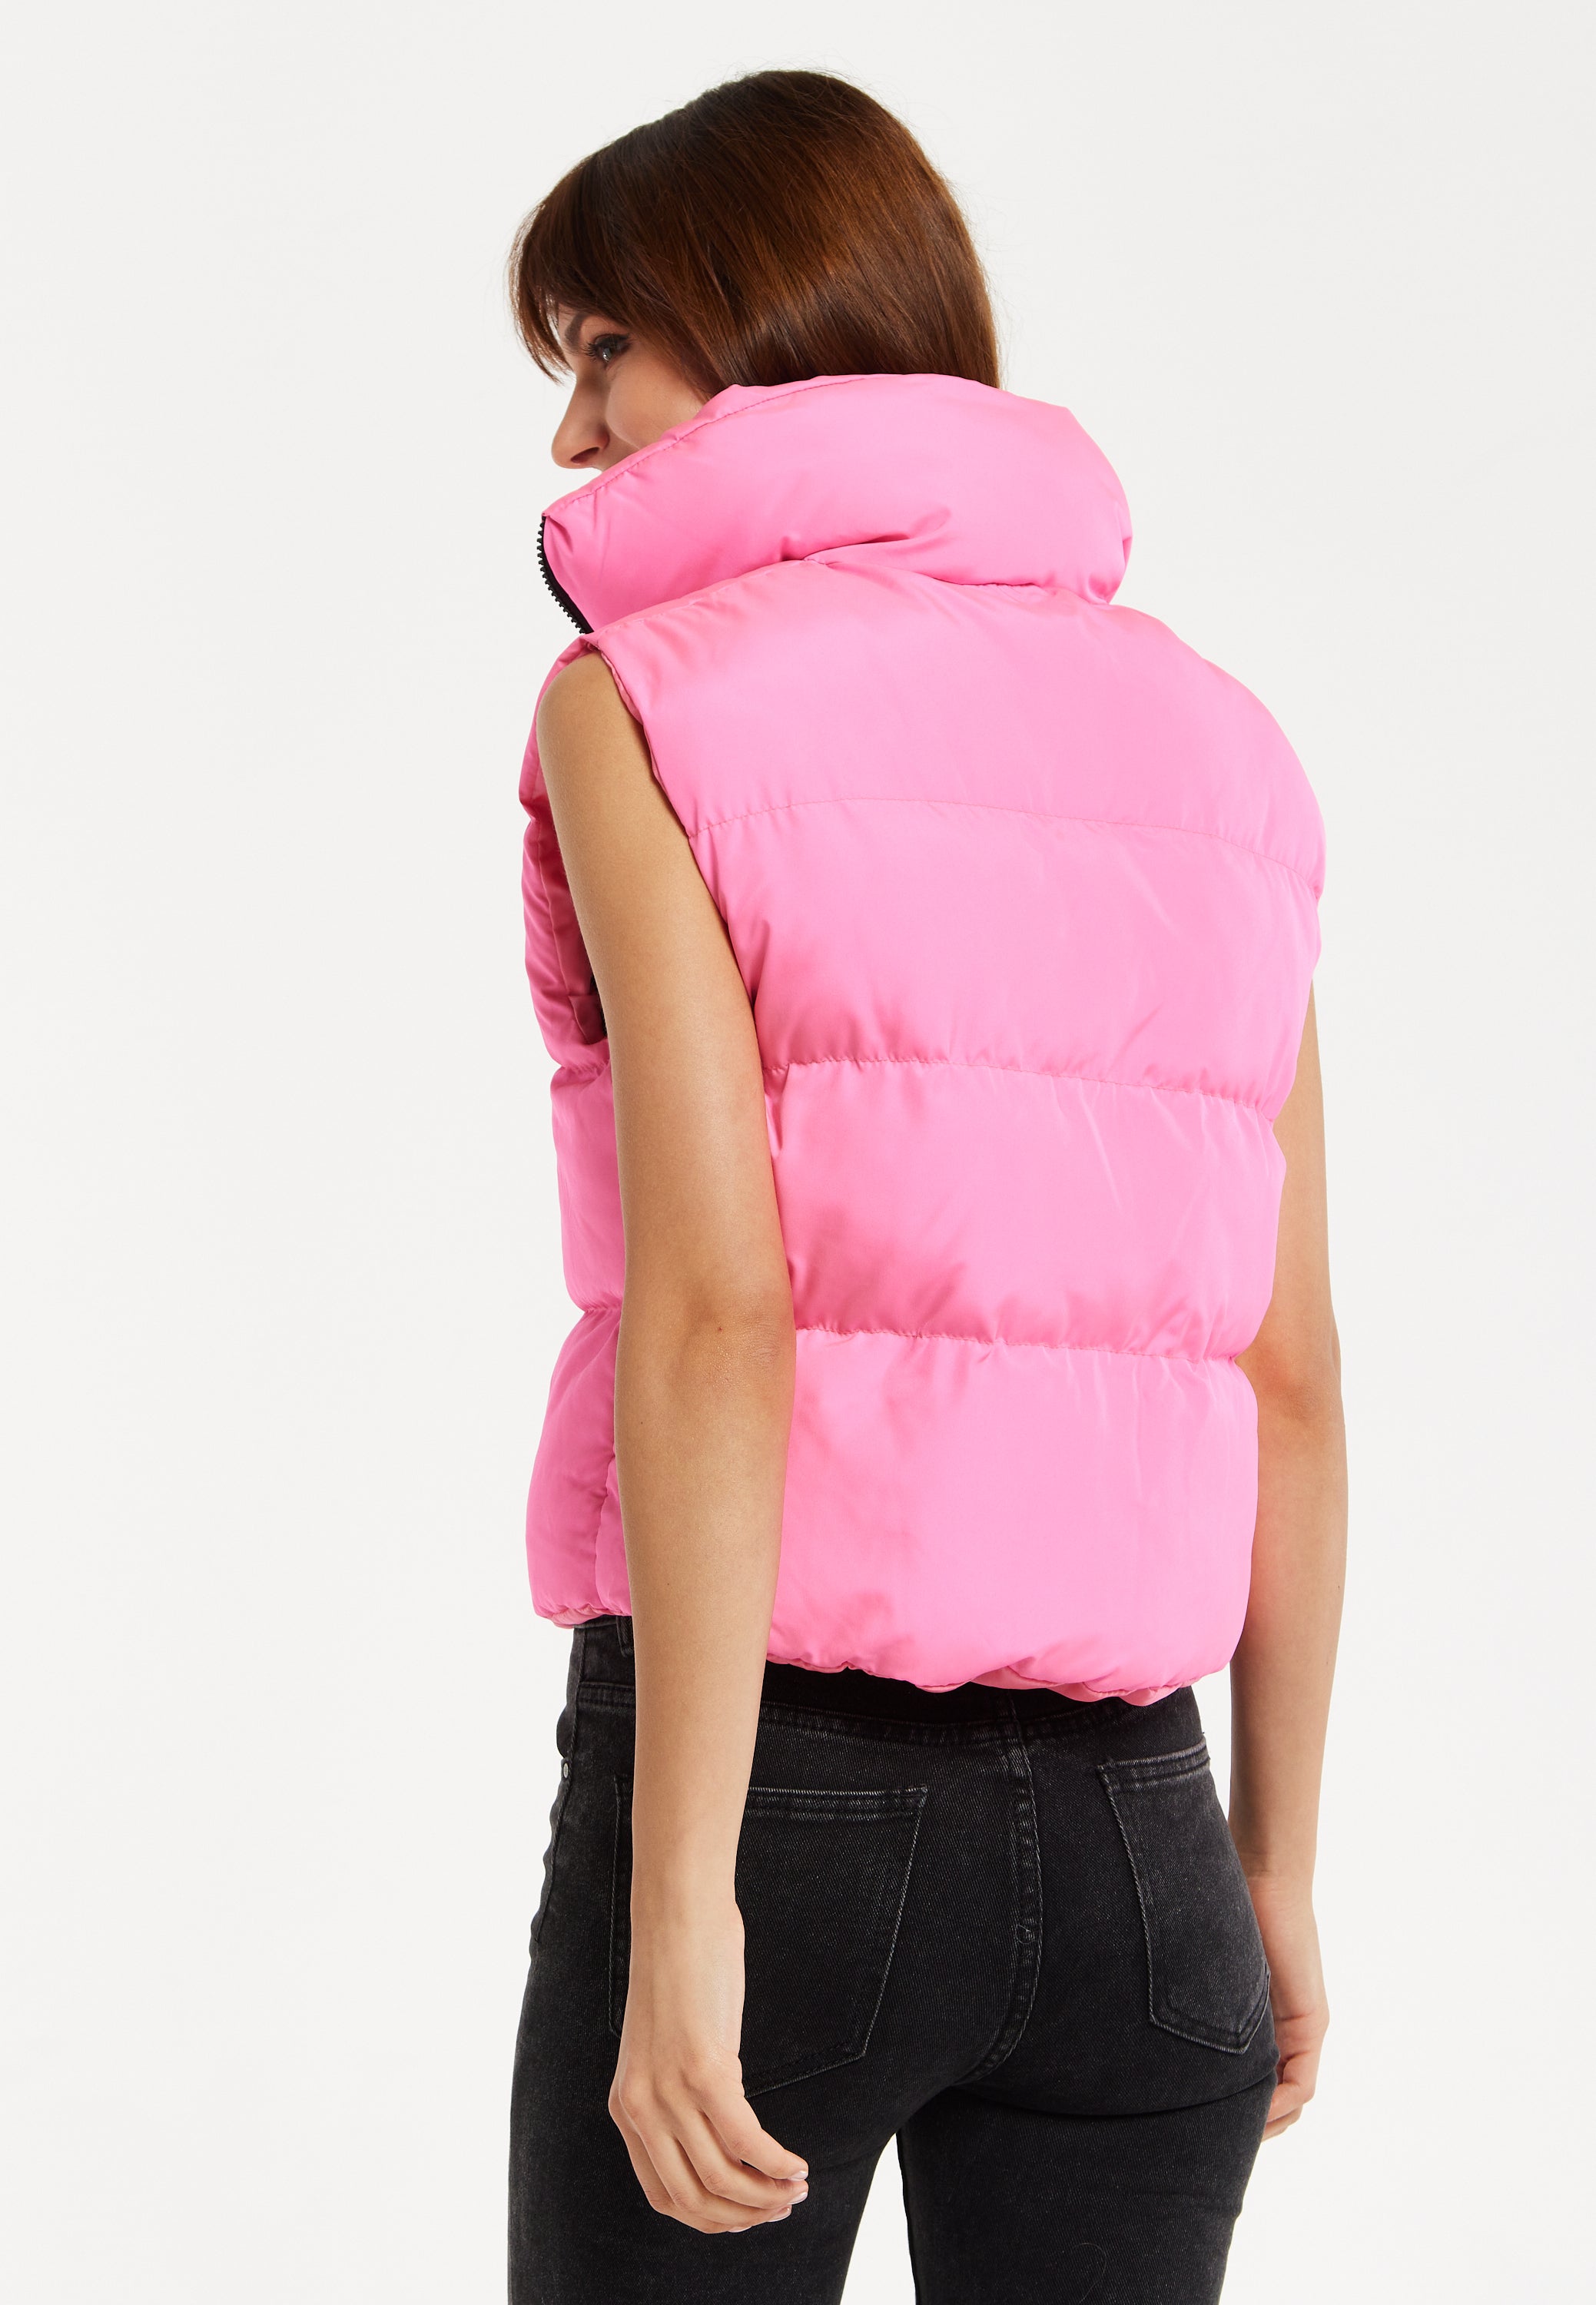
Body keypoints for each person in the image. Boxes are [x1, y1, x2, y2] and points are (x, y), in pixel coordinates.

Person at [504, 68, 1345, 2305]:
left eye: (602, 349)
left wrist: (682, 1910)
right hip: (1153, 1839)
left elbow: (719, 1316)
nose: (574, 436)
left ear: (751, 316)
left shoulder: (644, 701)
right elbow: (1289, 1375)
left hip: (774, 1798)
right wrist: (1271, 1873)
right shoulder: (1223, 743)